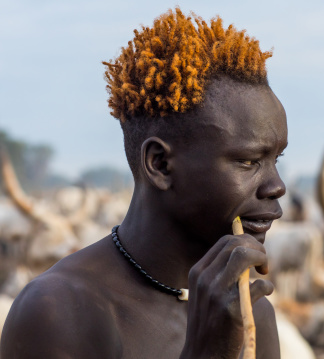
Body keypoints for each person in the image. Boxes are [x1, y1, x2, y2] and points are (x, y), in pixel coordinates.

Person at [1, 8, 287, 359]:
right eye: (249, 161)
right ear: (160, 164)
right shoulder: (60, 311)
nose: (277, 186)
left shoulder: (252, 313)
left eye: (277, 160)